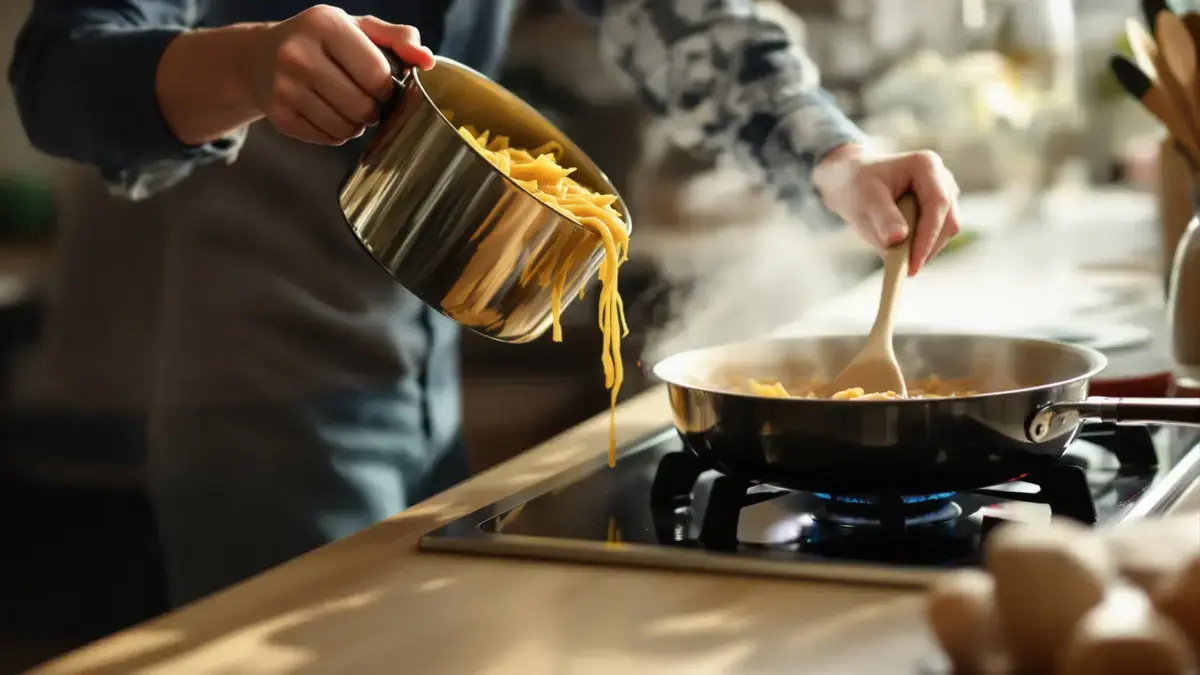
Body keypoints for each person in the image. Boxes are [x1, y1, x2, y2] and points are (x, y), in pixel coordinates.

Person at [8, 1, 962, 606]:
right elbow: (57, 71)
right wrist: (254, 65)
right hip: (243, 368)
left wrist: (837, 159)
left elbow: (680, 18)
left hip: (420, 356)